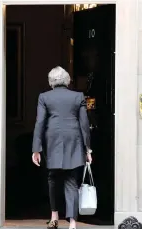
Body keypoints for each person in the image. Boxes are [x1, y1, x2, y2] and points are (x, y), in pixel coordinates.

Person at [32, 66, 92, 229]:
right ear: (67, 80)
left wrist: (36, 148)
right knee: (71, 180)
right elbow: (84, 124)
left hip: (52, 139)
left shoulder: (44, 97)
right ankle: (72, 223)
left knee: (52, 177)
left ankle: (54, 216)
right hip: (74, 138)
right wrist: (88, 148)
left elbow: (40, 122)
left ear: (51, 81)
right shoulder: (78, 96)